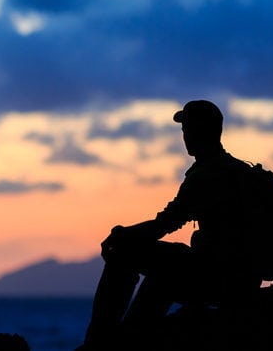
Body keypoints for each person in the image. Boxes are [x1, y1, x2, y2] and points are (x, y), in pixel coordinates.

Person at [78, 100, 263, 350]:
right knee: (162, 273)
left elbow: (164, 224)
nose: (184, 135)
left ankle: (99, 342)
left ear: (200, 131)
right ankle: (125, 339)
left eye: (187, 128)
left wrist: (122, 235)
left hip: (216, 277)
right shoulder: (238, 170)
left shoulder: (208, 174)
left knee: (123, 252)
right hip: (237, 278)